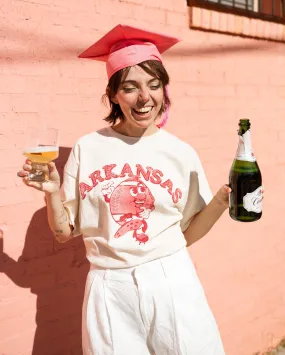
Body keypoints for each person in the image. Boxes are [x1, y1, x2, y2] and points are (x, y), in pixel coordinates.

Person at [18, 24, 231, 355]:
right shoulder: (88, 148)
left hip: (172, 279)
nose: (145, 98)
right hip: (109, 287)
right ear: (114, 95)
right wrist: (51, 191)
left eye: (154, 85)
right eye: (130, 87)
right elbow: (64, 233)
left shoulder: (180, 152)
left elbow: (185, 234)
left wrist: (222, 200)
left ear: (164, 90)